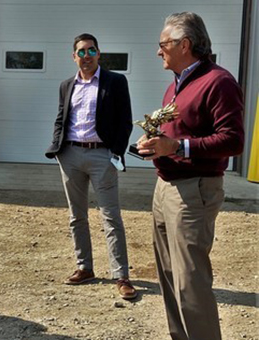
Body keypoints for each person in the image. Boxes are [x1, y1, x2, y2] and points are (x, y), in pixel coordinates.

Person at [137, 12, 244, 340]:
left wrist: (177, 146)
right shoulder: (176, 85)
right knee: (169, 277)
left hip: (193, 191)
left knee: (190, 283)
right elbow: (175, 133)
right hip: (166, 187)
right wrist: (154, 144)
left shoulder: (218, 82)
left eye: (163, 44)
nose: (158, 52)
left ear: (185, 44)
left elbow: (234, 140)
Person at [45, 33, 136, 300]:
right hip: (70, 155)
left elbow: (125, 121)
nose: (86, 56)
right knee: (77, 216)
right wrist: (57, 148)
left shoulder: (115, 82)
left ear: (99, 54)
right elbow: (61, 119)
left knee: (110, 217)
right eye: (81, 52)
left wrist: (116, 153)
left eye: (91, 50)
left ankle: (121, 276)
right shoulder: (66, 85)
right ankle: (84, 267)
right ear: (74, 57)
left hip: (101, 157)